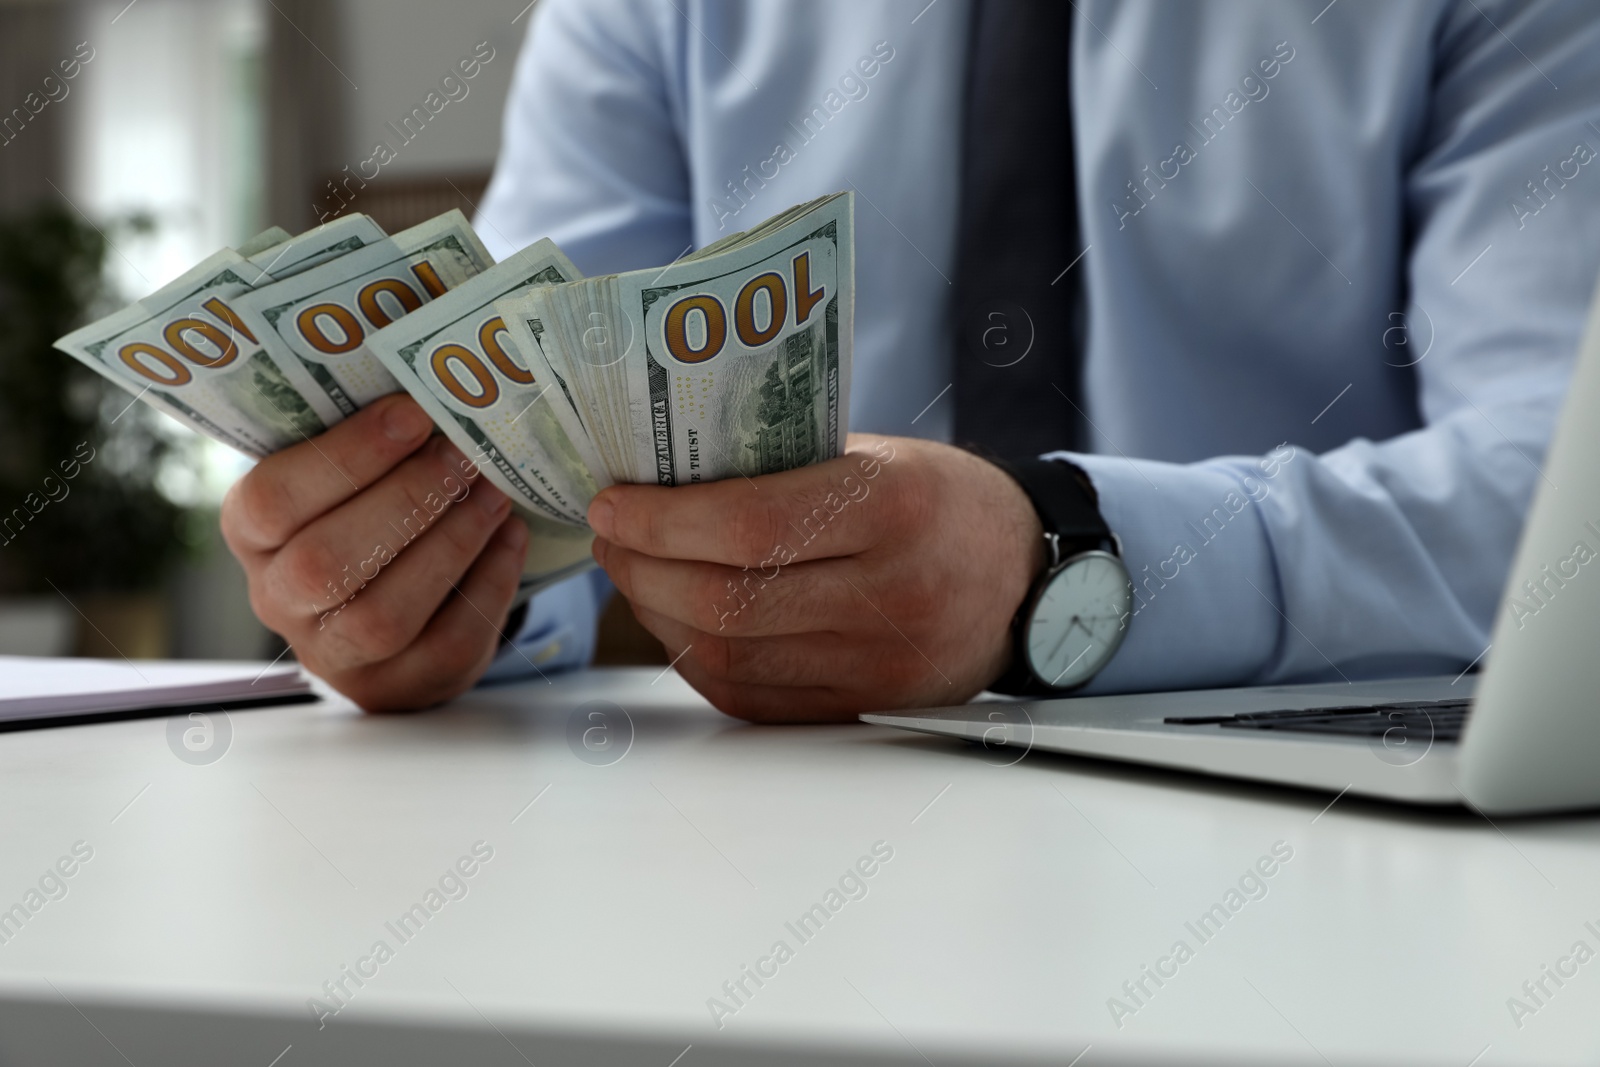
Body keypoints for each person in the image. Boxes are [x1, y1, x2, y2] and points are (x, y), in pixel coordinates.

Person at [221, 0, 1600, 721]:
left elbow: (1562, 498)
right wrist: (439, 597)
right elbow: (530, 444)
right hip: (779, 846)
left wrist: (1065, 569)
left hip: (1349, 844)